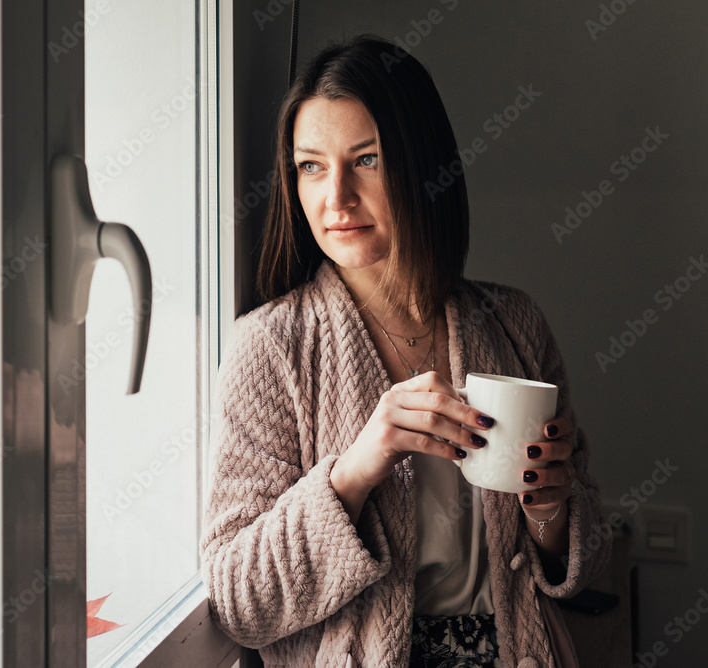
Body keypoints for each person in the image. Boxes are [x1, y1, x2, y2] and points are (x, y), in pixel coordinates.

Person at [200, 35, 610, 668]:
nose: (335, 197)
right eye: (310, 165)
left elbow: (575, 562)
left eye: (365, 160)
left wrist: (553, 506)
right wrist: (355, 470)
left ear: (422, 167)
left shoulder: (515, 325)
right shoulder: (271, 347)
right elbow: (238, 602)